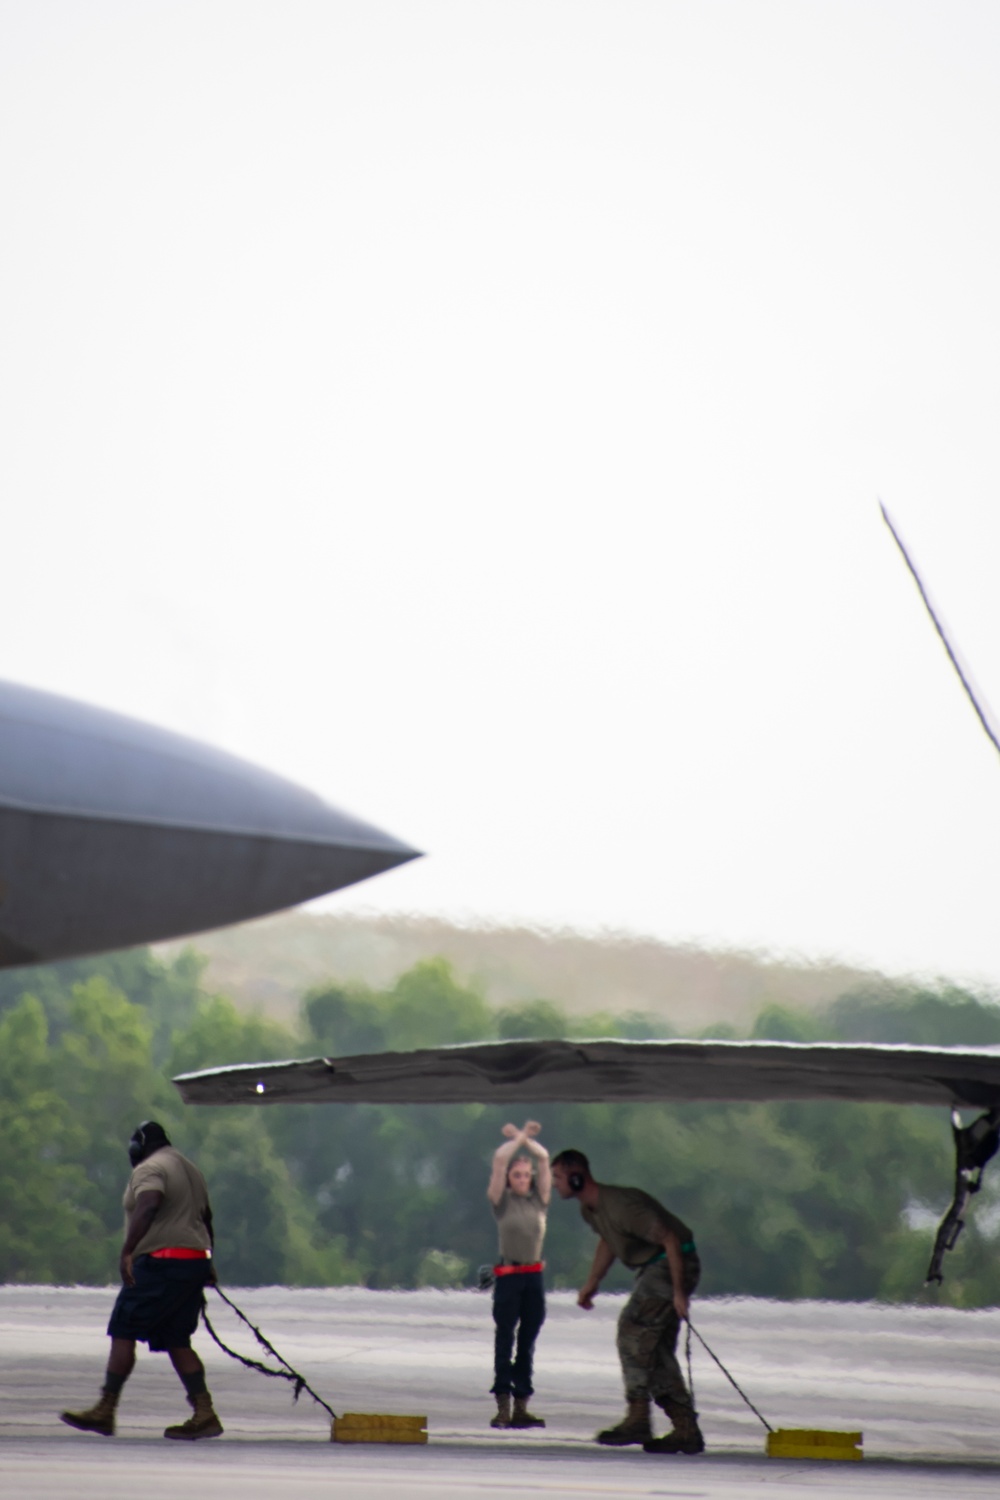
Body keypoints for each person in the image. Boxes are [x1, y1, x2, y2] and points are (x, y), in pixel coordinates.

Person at [60, 1121, 223, 1442]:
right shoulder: (190, 1169)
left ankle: (106, 1409)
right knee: (177, 1339)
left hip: (162, 1263)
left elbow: (148, 1204)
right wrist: (208, 1261)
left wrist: (127, 1251)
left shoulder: (150, 1169)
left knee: (123, 1329)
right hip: (193, 1262)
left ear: (139, 1148)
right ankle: (205, 1413)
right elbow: (206, 1219)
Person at [550, 1148, 704, 1455]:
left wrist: (678, 1293)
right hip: (656, 1267)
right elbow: (609, 1240)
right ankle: (685, 1428)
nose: (554, 1184)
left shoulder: (621, 1205)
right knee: (655, 1348)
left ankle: (638, 1417)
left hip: (671, 1262)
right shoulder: (591, 1210)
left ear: (577, 1177)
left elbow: (670, 1240)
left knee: (632, 1330)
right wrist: (592, 1283)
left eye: (558, 1177)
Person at [486, 1119, 551, 1430]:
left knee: (527, 1340)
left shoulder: (540, 1201)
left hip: (533, 1278)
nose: (523, 1179)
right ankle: (502, 1406)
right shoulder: (502, 1202)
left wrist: (523, 1138)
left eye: (526, 1176)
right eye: (518, 1175)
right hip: (509, 1276)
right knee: (505, 1337)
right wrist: (520, 1137)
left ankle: (522, 1404)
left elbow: (544, 1159)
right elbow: (500, 1160)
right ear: (510, 1180)